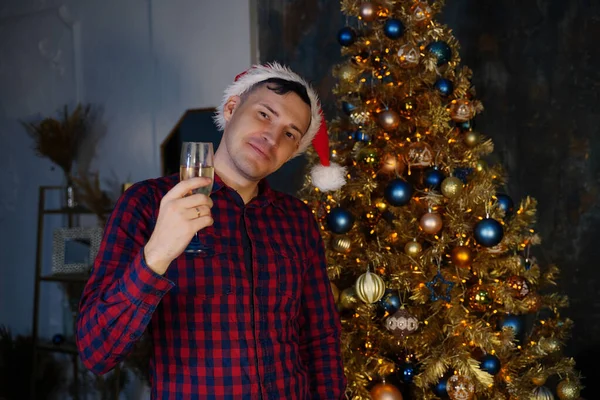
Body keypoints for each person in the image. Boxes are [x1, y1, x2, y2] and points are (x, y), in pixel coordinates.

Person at [76, 62, 347, 399]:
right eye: (265, 114)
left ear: (293, 152)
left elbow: (321, 337)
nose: (272, 137)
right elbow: (96, 352)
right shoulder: (146, 203)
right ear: (232, 109)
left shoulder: (298, 220)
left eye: (290, 133)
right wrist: (157, 254)